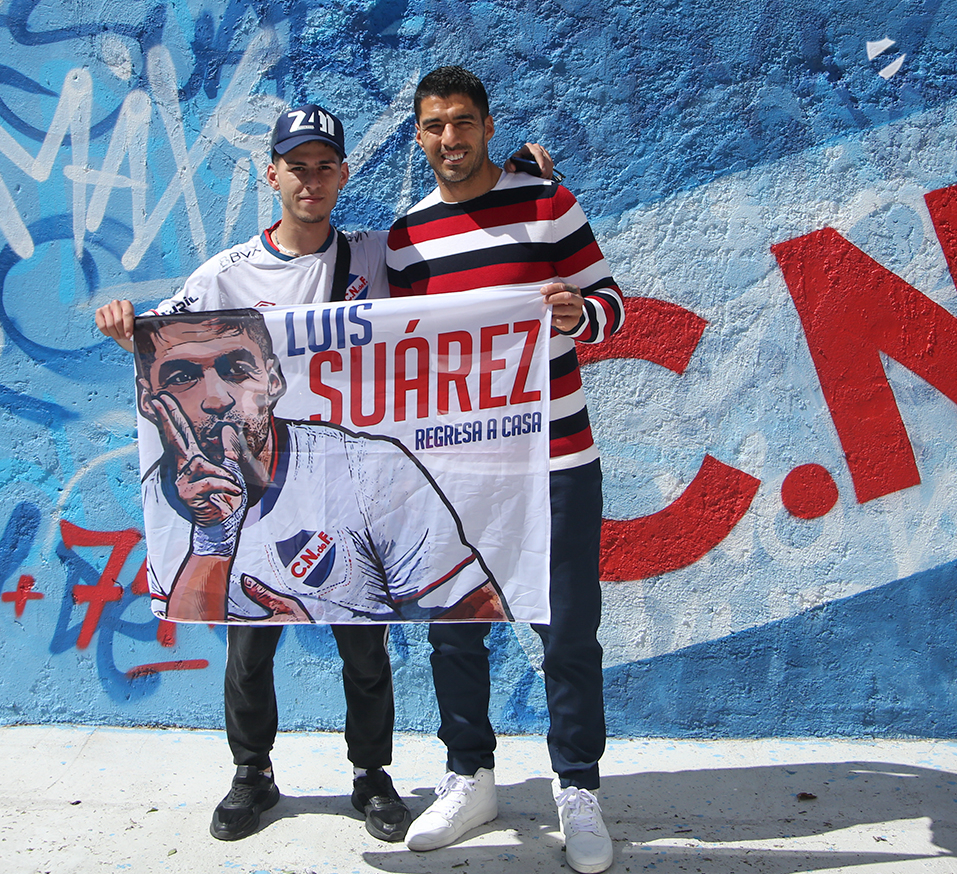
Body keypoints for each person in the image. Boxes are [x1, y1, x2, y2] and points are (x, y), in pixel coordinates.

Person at [95, 103, 552, 847]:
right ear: (271, 174)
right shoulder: (227, 274)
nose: (309, 181)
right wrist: (123, 325)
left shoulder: (376, 254)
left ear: (342, 175)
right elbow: (159, 339)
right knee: (248, 643)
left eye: (323, 167)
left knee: (362, 641)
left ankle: (370, 775)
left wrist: (515, 183)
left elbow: (456, 233)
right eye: (296, 167)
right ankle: (252, 775)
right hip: (240, 479)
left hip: (336, 472)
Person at [386, 67, 625, 874]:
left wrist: (580, 313)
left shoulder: (547, 204)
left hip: (557, 458)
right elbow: (395, 352)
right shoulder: (405, 238)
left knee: (567, 631)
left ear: (487, 126)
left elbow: (612, 303)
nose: (448, 138)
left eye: (461, 122)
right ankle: (469, 778)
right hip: (456, 468)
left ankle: (577, 788)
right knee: (454, 627)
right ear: (419, 136)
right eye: (433, 126)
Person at [132, 309, 511, 625]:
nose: (217, 399)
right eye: (182, 378)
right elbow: (187, 631)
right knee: (246, 675)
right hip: (248, 683)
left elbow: (472, 610)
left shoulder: (369, 470)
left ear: (273, 380)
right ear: (148, 401)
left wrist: (318, 623)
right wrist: (213, 540)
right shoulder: (159, 493)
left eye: (236, 369)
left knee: (364, 670)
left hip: (362, 667)